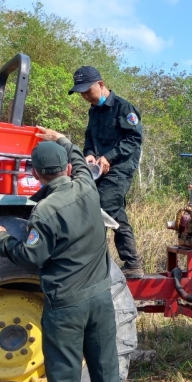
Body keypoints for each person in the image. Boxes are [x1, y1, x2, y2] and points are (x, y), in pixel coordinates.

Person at [0, 127, 132, 382]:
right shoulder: (87, 187)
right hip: (100, 299)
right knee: (106, 372)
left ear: (35, 174)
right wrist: (63, 139)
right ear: (64, 168)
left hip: (66, 308)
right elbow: (81, 161)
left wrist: (0, 238)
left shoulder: (45, 212)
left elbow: (29, 256)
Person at [68, 66, 144, 277]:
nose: (84, 96)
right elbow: (89, 138)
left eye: (87, 90)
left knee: (102, 205)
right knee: (111, 209)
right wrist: (90, 154)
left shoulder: (123, 108)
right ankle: (132, 263)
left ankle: (93, 263)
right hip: (97, 169)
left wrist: (109, 157)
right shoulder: (94, 110)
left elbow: (134, 140)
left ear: (100, 85)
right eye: (80, 92)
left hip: (120, 168)